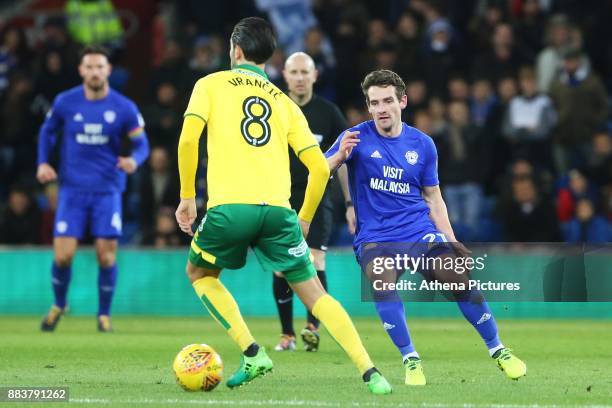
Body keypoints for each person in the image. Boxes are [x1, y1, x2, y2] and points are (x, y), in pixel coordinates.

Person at [174, 17, 391, 394]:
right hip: (278, 212)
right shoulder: (285, 103)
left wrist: (187, 196)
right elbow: (320, 170)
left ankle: (253, 351)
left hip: (230, 208)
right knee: (315, 295)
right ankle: (371, 372)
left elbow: (188, 141)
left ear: (236, 51)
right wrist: (303, 219)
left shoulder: (208, 85)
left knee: (200, 274)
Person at [326, 69, 526, 386]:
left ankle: (498, 349)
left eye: (387, 101)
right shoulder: (355, 137)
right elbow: (319, 168)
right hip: (376, 237)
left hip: (419, 232)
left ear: (402, 101)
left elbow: (433, 197)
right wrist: (337, 157)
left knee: (456, 276)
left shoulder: (423, 145)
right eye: (374, 103)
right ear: (368, 106)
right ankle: (411, 360)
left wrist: (451, 239)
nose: (381, 109)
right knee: (382, 279)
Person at [37, 45, 150, 332]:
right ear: (81, 70)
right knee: (62, 255)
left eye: (100, 66)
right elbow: (47, 132)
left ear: (108, 70)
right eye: (89, 67)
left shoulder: (124, 107)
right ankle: (59, 304)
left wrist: (134, 161)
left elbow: (142, 144)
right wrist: (42, 163)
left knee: (106, 255)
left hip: (107, 190)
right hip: (72, 191)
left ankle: (103, 315)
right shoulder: (65, 102)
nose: (95, 72)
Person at [272, 51, 352, 352]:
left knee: (316, 259)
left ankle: (312, 327)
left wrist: (349, 204)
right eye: (294, 72)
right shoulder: (274, 109)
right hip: (280, 197)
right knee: (281, 266)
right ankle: (286, 334)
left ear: (315, 75)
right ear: (285, 75)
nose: (300, 78)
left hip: (318, 198)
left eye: (306, 72)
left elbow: (344, 160)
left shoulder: (329, 113)